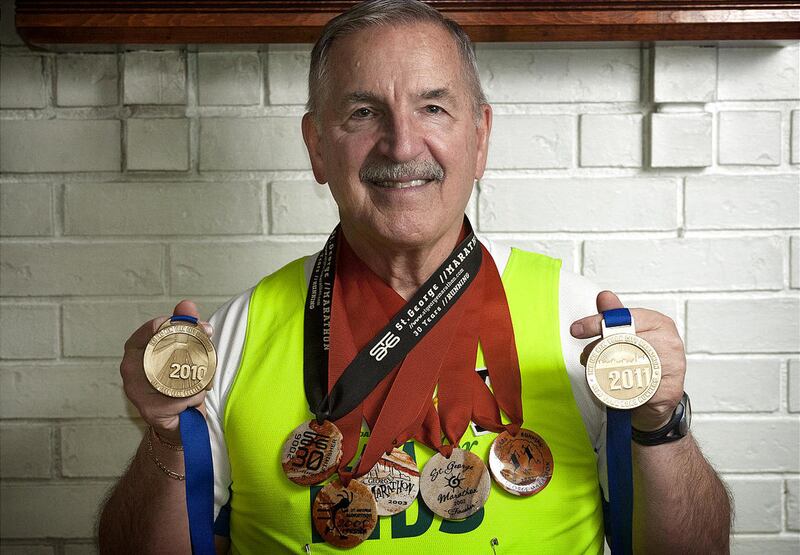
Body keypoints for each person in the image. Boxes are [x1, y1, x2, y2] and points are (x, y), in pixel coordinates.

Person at [98, 1, 731, 552]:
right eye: (363, 113)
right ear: (316, 146)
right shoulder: (227, 337)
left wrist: (661, 423)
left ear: (479, 139)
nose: (402, 145)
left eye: (432, 107)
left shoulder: (589, 335)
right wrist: (167, 436)